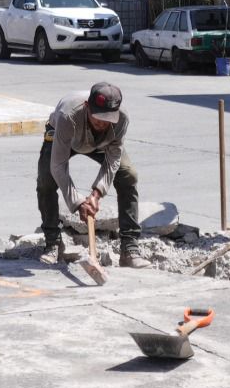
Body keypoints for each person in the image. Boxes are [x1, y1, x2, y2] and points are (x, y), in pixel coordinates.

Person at [37, 82, 148, 269]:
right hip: (65, 137)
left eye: (108, 119)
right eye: (98, 118)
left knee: (128, 175)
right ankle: (53, 243)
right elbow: (58, 165)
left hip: (102, 144)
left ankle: (129, 248)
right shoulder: (68, 116)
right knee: (47, 178)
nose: (102, 123)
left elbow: (113, 160)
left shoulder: (121, 119)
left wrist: (96, 194)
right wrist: (78, 202)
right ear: (88, 107)